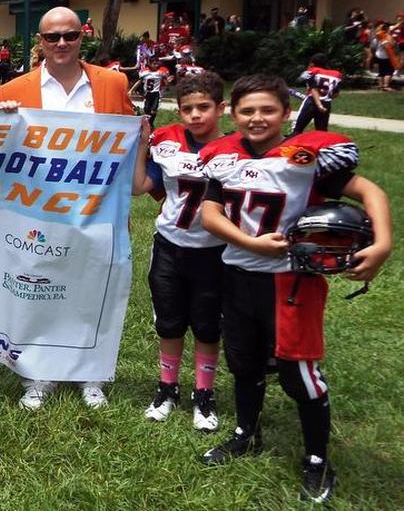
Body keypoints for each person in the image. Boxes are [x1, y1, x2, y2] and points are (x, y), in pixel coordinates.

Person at [197, 74, 392, 504]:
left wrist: (383, 243)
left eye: (268, 109)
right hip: (238, 273)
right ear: (233, 114)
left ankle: (318, 459)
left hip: (291, 277)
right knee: (244, 362)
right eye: (247, 110)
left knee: (299, 373)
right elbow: (211, 213)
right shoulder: (223, 156)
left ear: (287, 114)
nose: (257, 118)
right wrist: (248, 243)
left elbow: (368, 190)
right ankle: (247, 433)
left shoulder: (305, 159)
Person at [0, 7, 134, 410]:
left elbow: (128, 145)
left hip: (97, 208)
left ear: (82, 37)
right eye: (52, 36)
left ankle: (90, 373)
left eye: (70, 36)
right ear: (39, 41)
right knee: (38, 287)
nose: (61, 43)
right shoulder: (14, 91)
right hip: (39, 209)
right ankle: (39, 373)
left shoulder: (111, 82)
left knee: (93, 288)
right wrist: (2, 122)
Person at [130, 72, 228, 432]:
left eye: (204, 107)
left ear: (221, 107)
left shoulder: (236, 147)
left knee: (206, 325)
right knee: (169, 321)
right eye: (188, 108)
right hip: (170, 245)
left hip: (215, 250)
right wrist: (141, 145)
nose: (196, 115)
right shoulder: (166, 140)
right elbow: (140, 186)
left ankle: (204, 393)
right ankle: (167, 387)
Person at [292, 53, 342, 135]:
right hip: (326, 104)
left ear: (312, 63)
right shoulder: (337, 74)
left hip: (311, 102)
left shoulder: (313, 71)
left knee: (297, 129)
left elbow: (299, 80)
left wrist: (309, 68)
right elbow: (336, 94)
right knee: (321, 132)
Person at [131, 57, 172, 126]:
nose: (156, 65)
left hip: (156, 93)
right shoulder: (145, 72)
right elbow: (139, 81)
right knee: (146, 109)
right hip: (147, 93)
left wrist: (168, 82)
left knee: (153, 110)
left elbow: (165, 83)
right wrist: (132, 90)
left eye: (157, 64)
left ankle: (150, 123)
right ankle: (147, 123)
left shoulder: (160, 73)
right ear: (149, 64)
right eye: (154, 64)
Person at [371, 22, 398, 91]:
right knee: (389, 71)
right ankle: (386, 86)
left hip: (379, 55)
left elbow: (373, 47)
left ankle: (380, 86)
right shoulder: (388, 37)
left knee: (381, 71)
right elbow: (391, 45)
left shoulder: (378, 36)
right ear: (387, 29)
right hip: (387, 56)